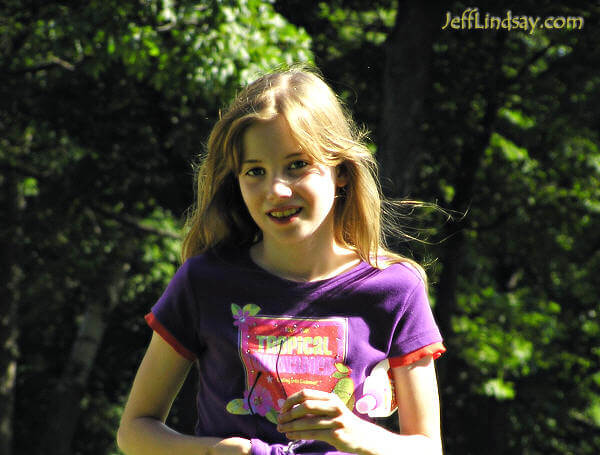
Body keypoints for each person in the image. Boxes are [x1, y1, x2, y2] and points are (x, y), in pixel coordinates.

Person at [117, 66, 446, 455]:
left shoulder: (394, 289)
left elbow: (427, 448)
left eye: (297, 165)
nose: (276, 189)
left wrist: (354, 435)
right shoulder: (203, 282)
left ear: (340, 171)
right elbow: (134, 430)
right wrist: (210, 451)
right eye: (255, 171)